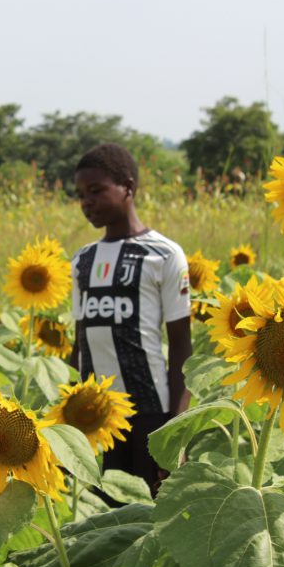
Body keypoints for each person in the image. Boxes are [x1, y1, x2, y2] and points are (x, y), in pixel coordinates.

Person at [69, 143, 193, 493]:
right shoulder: (83, 260)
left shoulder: (164, 254)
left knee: (149, 513)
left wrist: (175, 428)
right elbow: (80, 342)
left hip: (149, 412)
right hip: (94, 416)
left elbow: (182, 344)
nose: (86, 202)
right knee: (101, 518)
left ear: (128, 187)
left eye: (96, 191)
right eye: (80, 194)